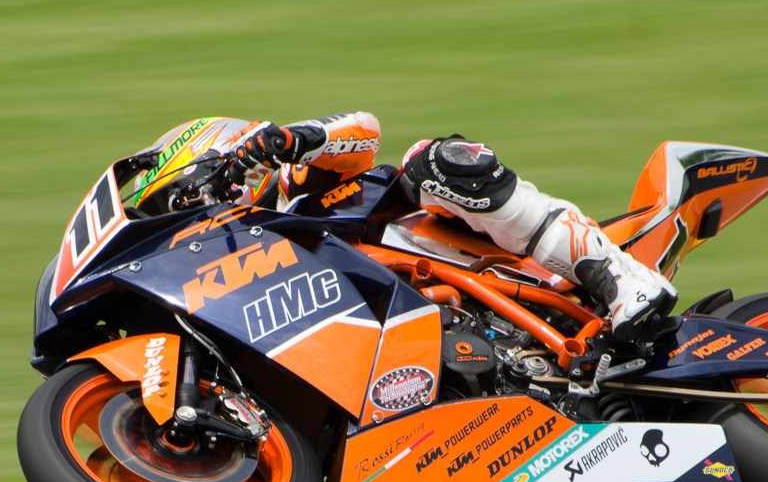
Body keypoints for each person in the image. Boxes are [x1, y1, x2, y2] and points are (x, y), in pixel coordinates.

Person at [223, 111, 676, 341]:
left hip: (462, 251)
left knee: (429, 160)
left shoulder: (290, 183)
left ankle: (616, 276)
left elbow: (365, 130)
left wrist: (290, 139)